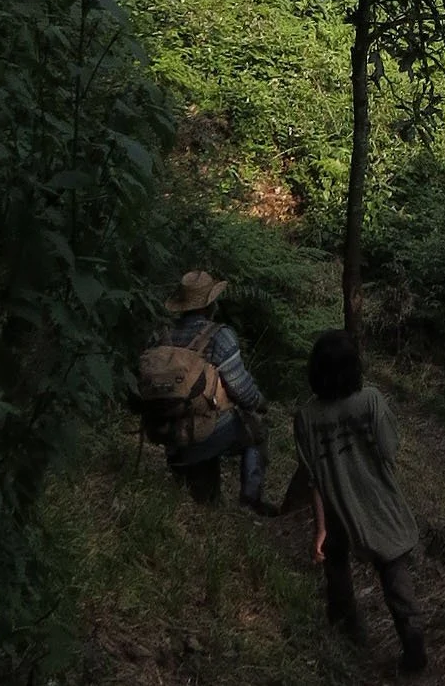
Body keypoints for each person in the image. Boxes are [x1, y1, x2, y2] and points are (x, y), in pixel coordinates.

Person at [280, 328, 428, 675]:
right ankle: (413, 645)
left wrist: (320, 528)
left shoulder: (306, 417)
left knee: (337, 566)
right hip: (378, 500)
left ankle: (348, 634)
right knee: (394, 572)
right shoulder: (371, 400)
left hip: (336, 505)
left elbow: (313, 477)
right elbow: (390, 451)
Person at [149, 269, 271, 509]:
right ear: (210, 304)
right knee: (256, 431)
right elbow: (242, 390)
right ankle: (251, 500)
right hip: (201, 431)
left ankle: (191, 485)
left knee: (205, 498)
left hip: (165, 431)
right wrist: (260, 403)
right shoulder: (219, 337)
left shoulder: (162, 336)